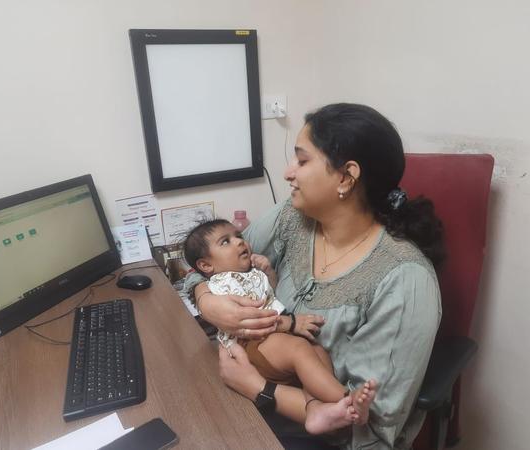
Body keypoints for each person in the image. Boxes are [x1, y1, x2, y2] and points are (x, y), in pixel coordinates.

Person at [186, 103, 444, 450]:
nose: (287, 173)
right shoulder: (294, 218)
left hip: (316, 436)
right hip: (249, 392)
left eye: (302, 160)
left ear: (346, 177)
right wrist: (207, 300)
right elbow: (207, 264)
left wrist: (259, 389)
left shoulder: (404, 280)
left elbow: (368, 431)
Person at [183, 218, 377, 434]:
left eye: (238, 236)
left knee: (317, 350)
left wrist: (268, 274)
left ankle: (316, 408)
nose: (239, 242)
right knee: (300, 349)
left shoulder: (248, 272)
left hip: (267, 340)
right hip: (249, 345)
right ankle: (347, 400)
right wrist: (291, 323)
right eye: (225, 242)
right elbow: (258, 319)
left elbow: (270, 296)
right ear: (206, 265)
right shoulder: (222, 284)